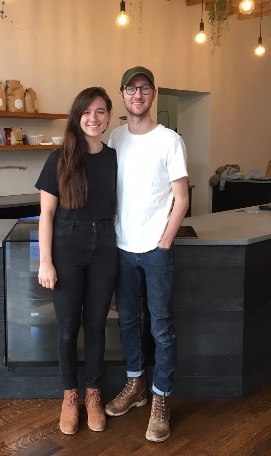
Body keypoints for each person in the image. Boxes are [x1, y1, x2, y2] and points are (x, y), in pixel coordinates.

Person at [105, 66, 189, 443]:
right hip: (121, 248)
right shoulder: (114, 138)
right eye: (130, 89)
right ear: (121, 95)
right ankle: (135, 384)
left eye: (144, 88)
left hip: (156, 250)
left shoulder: (170, 140)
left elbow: (181, 199)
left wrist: (165, 242)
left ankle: (160, 398)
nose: (137, 95)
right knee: (126, 322)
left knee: (161, 327)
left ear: (152, 94)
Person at [35, 87, 118, 435]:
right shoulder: (59, 158)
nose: (94, 118)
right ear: (77, 116)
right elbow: (46, 215)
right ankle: (70, 395)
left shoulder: (115, 158)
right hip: (67, 246)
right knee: (68, 327)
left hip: (105, 247)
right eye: (87, 112)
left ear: (109, 116)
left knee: (97, 325)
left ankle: (94, 394)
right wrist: (45, 262)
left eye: (100, 112)